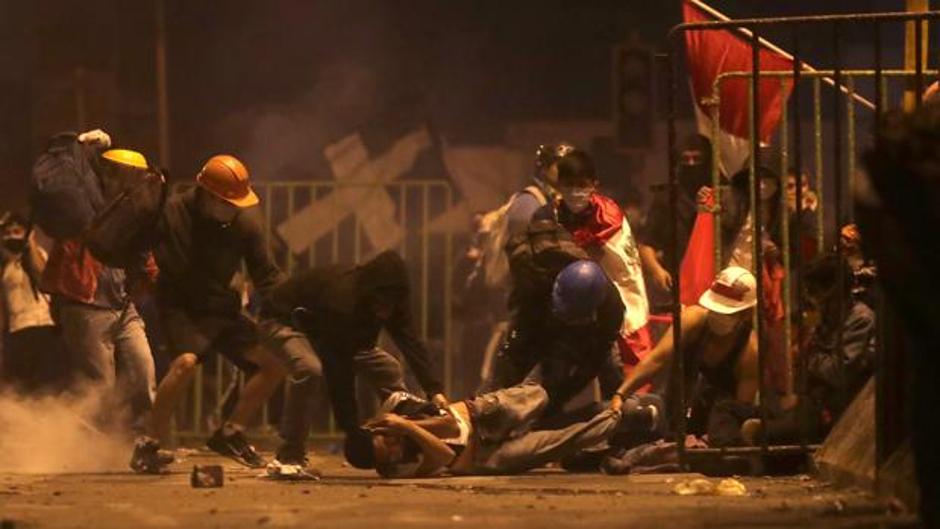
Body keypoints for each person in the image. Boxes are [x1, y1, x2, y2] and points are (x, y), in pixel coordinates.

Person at [131, 154, 287, 473]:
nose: (231, 208)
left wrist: (292, 306)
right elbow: (135, 242)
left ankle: (231, 434)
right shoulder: (172, 211)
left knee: (274, 364)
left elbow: (266, 274)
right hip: (181, 306)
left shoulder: (246, 221)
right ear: (206, 194)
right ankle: (148, 444)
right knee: (185, 364)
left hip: (221, 306)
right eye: (225, 201)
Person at [260, 250, 448, 475]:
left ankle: (402, 435)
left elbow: (410, 341)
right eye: (379, 303)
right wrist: (351, 428)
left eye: (389, 304)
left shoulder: (394, 300)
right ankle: (290, 453)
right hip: (283, 321)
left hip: (331, 334)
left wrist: (434, 390)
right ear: (369, 293)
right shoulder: (342, 300)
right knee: (310, 369)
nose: (384, 311)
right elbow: (339, 372)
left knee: (388, 368)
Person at [39, 130, 159, 440]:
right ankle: (81, 444)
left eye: (136, 175)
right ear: (106, 172)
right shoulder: (79, 203)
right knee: (99, 385)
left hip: (122, 307)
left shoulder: (132, 213)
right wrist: (81, 147)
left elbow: (143, 258)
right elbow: (60, 179)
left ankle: (143, 442)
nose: (130, 181)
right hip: (85, 306)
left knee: (143, 374)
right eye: (124, 174)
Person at [361, 384, 658, 477]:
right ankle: (619, 417)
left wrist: (406, 424)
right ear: (383, 464)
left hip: (482, 416)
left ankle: (614, 411)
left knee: (540, 394)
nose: (391, 444)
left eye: (384, 439)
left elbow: (451, 424)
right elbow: (444, 456)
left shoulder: (400, 414)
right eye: (386, 451)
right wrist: (408, 430)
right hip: (488, 457)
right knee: (559, 442)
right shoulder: (397, 471)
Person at [610, 266, 761, 447]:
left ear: (746, 314)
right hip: (675, 410)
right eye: (716, 309)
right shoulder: (693, 320)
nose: (719, 317)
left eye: (726, 312)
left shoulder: (750, 352)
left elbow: (737, 411)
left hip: (713, 427)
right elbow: (656, 360)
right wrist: (621, 393)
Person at [533, 148, 652, 372]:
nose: (576, 192)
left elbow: (619, 271)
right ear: (559, 186)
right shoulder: (547, 215)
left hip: (609, 303)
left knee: (616, 371)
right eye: (569, 185)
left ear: (594, 185)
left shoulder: (608, 218)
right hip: (561, 306)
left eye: (582, 185)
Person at [474, 143, 572, 391]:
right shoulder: (528, 204)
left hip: (540, 300)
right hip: (529, 300)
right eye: (560, 166)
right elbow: (524, 259)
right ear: (544, 168)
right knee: (512, 371)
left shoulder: (550, 201)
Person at [638, 134, 722, 294]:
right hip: (679, 283)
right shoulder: (666, 199)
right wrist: (657, 271)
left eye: (697, 159)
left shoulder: (722, 194)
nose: (691, 164)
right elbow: (647, 244)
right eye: (686, 159)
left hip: (716, 281)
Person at [0, 212, 63, 394]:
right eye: (7, 232)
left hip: (42, 327)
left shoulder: (37, 254)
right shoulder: (5, 267)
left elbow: (44, 279)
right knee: (22, 390)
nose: (11, 236)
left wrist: (31, 244)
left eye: (17, 231)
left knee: (46, 388)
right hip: (16, 332)